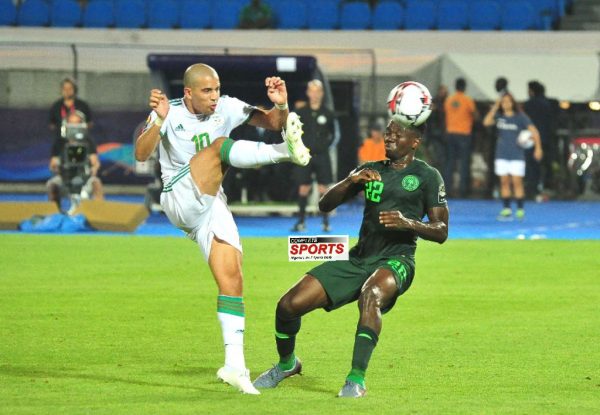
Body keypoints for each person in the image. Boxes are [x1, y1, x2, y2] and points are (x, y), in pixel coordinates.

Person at [135, 63, 311, 395]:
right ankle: (283, 153)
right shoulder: (170, 111)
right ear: (188, 92)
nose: (214, 96)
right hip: (178, 196)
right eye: (207, 91)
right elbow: (141, 153)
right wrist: (157, 120)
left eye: (216, 89)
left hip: (211, 202)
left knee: (232, 278)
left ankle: (234, 366)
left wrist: (282, 105)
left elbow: (275, 123)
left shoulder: (227, 107)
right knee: (219, 147)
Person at [253, 119, 449, 398]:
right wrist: (350, 181)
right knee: (287, 305)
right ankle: (287, 365)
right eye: (388, 132)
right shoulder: (370, 169)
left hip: (397, 259)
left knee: (371, 295)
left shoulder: (428, 176)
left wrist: (409, 223)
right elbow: (324, 205)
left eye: (397, 134)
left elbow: (441, 231)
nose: (389, 137)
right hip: (358, 257)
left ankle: (356, 380)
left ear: (415, 142)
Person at [483, 93, 542, 220]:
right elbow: (486, 122)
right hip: (501, 154)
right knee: (504, 182)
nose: (506, 104)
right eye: (503, 102)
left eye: (508, 101)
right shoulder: (499, 116)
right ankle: (507, 209)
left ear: (513, 103)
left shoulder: (520, 117)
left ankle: (520, 209)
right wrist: (495, 107)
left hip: (516, 155)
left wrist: (538, 148)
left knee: (517, 182)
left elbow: (534, 131)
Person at [292, 79, 336, 232]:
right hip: (305, 156)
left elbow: (334, 135)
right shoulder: (300, 112)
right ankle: (301, 221)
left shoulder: (328, 113)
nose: (315, 94)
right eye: (312, 91)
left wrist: (324, 146)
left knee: (324, 189)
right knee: (303, 188)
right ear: (308, 93)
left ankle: (325, 223)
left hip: (322, 156)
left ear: (322, 94)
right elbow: (293, 132)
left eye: (318, 91)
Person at [47, 110, 103, 211]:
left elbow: (95, 162)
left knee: (96, 183)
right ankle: (55, 213)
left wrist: (93, 169)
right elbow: (53, 163)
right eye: (71, 123)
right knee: (52, 185)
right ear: (66, 124)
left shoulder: (88, 141)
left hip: (84, 177)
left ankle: (99, 212)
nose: (74, 126)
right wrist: (56, 167)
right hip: (65, 178)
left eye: (77, 123)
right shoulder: (60, 142)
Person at [443, 78, 478, 198]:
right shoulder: (467, 99)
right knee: (464, 162)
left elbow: (445, 114)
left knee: (450, 162)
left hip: (450, 133)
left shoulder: (449, 99)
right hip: (464, 134)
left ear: (455, 86)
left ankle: (447, 190)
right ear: (464, 87)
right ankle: (463, 191)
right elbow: (475, 115)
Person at [523, 81, 557, 198]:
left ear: (532, 91)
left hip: (532, 139)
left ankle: (532, 188)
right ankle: (547, 187)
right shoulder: (549, 104)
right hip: (547, 138)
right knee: (546, 164)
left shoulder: (529, 105)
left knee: (532, 165)